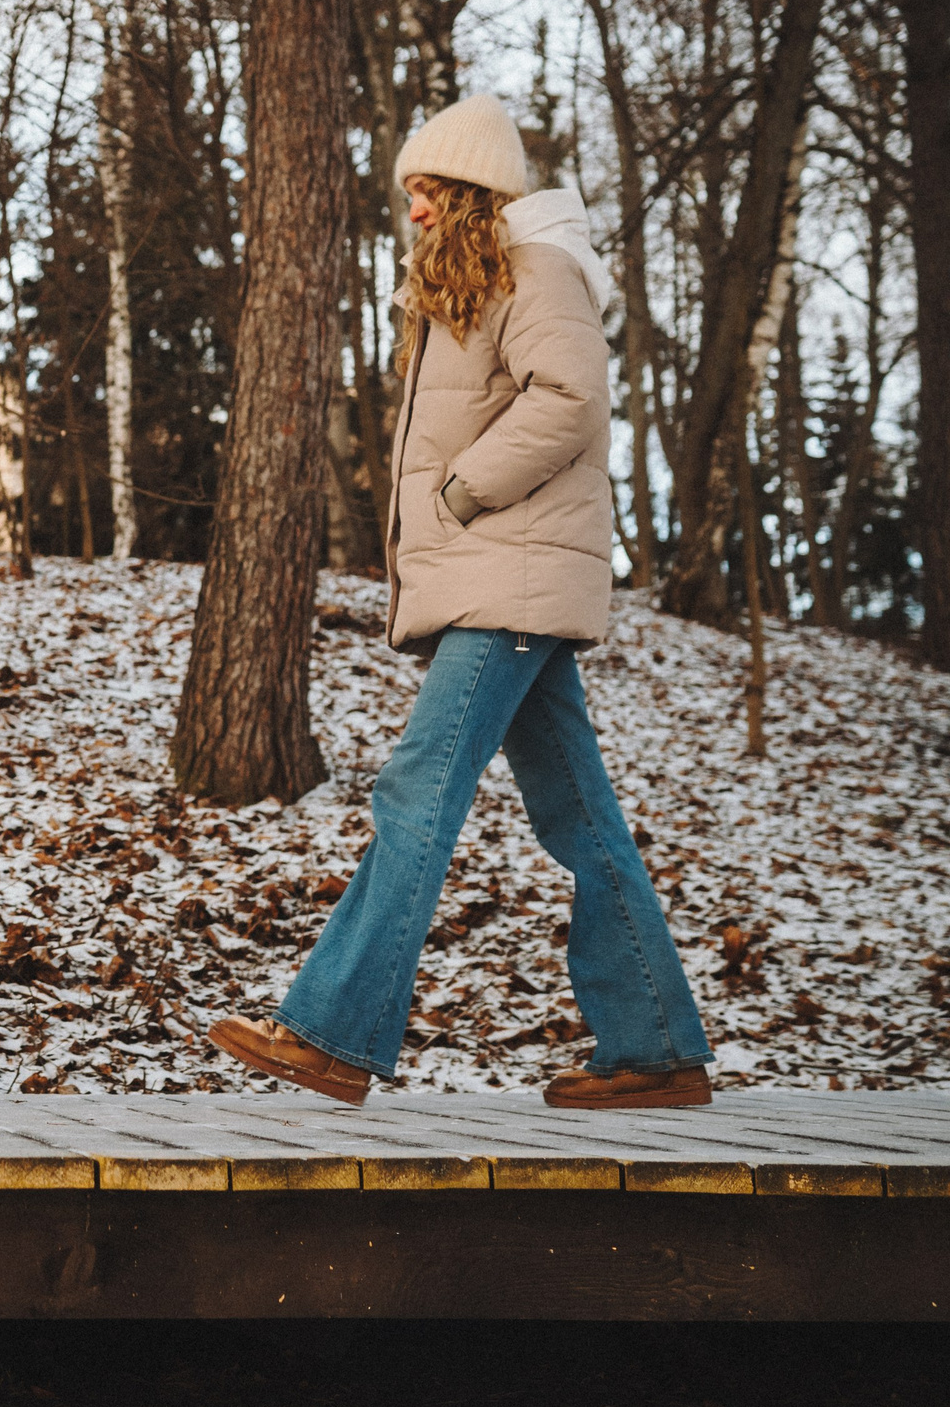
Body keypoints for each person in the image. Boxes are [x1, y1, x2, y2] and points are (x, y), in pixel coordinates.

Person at [208, 93, 716, 1111]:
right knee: (580, 817)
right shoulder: (472, 287)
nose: (414, 211)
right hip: (501, 575)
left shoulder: (538, 268)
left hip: (510, 576)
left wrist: (462, 489)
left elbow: (571, 397)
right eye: (409, 194)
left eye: (429, 191)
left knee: (416, 789)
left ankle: (333, 1032)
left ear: (474, 193)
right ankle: (655, 1046)